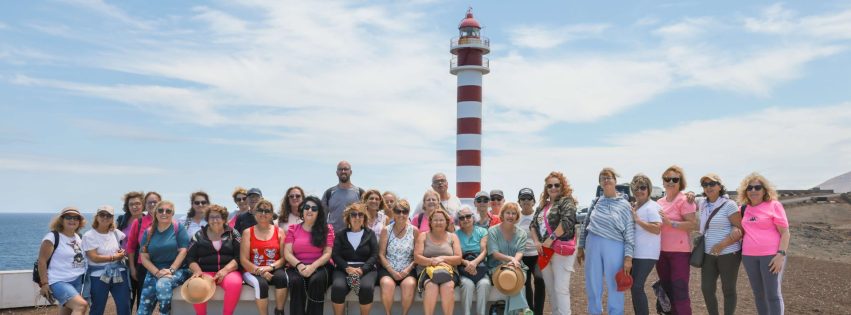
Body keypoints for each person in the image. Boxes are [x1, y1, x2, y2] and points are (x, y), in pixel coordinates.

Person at [577, 168, 635, 315]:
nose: (606, 180)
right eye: (603, 178)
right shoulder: (596, 201)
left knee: (616, 283)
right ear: (600, 183)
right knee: (593, 283)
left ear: (615, 181)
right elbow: (585, 225)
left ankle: (616, 312)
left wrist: (628, 257)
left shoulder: (625, 204)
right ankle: (594, 312)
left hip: (615, 245)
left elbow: (629, 231)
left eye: (609, 177)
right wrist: (580, 246)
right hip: (593, 244)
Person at [738, 173, 790, 315]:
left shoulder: (774, 205)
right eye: (750, 188)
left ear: (764, 190)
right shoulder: (743, 209)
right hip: (748, 256)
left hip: (771, 256)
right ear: (745, 191)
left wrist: (781, 255)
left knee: (773, 295)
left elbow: (785, 233)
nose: (753, 191)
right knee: (759, 295)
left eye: (757, 187)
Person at [529, 171, 579, 315]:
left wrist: (550, 239)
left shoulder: (566, 201)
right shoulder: (542, 206)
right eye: (549, 186)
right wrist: (537, 242)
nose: (553, 188)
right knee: (551, 290)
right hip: (544, 251)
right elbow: (532, 225)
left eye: (556, 185)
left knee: (561, 289)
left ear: (562, 186)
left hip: (560, 250)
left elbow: (567, 222)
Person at [695, 174, 743, 315]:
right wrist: (690, 194)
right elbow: (691, 198)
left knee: (728, 289)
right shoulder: (702, 203)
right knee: (707, 288)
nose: (708, 187)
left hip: (729, 253)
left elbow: (739, 229)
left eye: (712, 184)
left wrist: (722, 244)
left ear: (720, 186)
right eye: (705, 184)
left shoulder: (729, 205)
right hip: (708, 254)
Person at [187, 204, 243, 315]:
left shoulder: (234, 233)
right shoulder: (198, 235)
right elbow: (190, 258)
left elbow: (239, 257)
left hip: (228, 271)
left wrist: (225, 271)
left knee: (235, 283)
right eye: (211, 217)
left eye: (218, 217)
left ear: (223, 219)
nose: (215, 220)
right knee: (196, 285)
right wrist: (198, 271)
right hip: (205, 272)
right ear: (207, 219)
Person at [138, 200, 192, 315]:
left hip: (177, 270)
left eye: (168, 211)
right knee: (142, 311)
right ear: (155, 213)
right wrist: (157, 273)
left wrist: (171, 270)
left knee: (163, 284)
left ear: (172, 213)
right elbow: (144, 256)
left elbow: (183, 251)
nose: (164, 213)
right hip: (154, 271)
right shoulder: (148, 232)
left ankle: (164, 312)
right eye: (160, 210)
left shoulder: (178, 228)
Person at [656, 165, 698, 315]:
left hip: (679, 253)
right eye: (667, 179)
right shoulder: (659, 202)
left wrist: (670, 223)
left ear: (681, 182)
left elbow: (693, 225)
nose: (671, 182)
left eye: (675, 179)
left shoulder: (685, 200)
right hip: (660, 252)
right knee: (667, 290)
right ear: (663, 182)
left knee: (680, 289)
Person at [284, 195, 335, 315]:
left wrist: (312, 267)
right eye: (307, 207)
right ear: (302, 210)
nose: (310, 210)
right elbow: (287, 252)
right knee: (297, 282)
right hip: (297, 265)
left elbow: (327, 253)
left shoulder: (327, 229)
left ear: (319, 213)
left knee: (316, 281)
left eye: (314, 208)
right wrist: (299, 265)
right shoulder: (293, 229)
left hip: (321, 266)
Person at [37, 207, 89, 315]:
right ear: (61, 220)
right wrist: (44, 283)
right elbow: (41, 261)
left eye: (76, 218)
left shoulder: (79, 237)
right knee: (81, 305)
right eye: (68, 217)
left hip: (77, 280)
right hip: (58, 281)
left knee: (67, 312)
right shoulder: (52, 237)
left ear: (80, 222)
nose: (72, 220)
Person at [239, 200, 288, 315]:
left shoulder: (279, 231)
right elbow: (244, 260)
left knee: (282, 279)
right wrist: (260, 271)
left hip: (273, 268)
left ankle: (279, 311)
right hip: (252, 270)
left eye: (267, 211)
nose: (263, 213)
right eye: (260, 210)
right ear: (255, 213)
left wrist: (269, 268)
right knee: (261, 284)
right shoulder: (247, 232)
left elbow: (283, 258)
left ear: (271, 214)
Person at [331, 203, 379, 315]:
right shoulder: (340, 235)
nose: (357, 217)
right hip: (344, 269)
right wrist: (347, 268)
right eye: (353, 215)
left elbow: (374, 255)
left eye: (360, 215)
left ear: (364, 218)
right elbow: (335, 255)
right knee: (338, 288)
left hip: (366, 269)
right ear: (348, 217)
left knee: (366, 288)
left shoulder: (370, 234)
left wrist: (363, 269)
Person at [83, 205, 130, 315]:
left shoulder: (115, 233)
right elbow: (93, 257)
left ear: (112, 218)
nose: (105, 217)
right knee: (97, 307)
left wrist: (123, 251)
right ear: (97, 217)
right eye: (102, 214)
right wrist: (115, 257)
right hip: (98, 276)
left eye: (109, 215)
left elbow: (128, 242)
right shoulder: (89, 235)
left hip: (118, 273)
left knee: (124, 305)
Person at [414, 209, 462, 315]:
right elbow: (417, 258)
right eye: (435, 220)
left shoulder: (453, 236)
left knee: (448, 287)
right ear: (430, 222)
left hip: (449, 270)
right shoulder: (423, 236)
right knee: (431, 287)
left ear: (446, 222)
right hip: (426, 270)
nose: (438, 222)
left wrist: (442, 259)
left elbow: (458, 259)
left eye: (441, 220)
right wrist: (432, 261)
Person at [628, 174, 663, 315]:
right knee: (634, 287)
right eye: (636, 188)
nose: (639, 191)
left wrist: (638, 221)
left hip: (646, 254)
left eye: (643, 187)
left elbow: (656, 229)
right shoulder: (635, 206)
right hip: (635, 254)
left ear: (648, 189)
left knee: (637, 287)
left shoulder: (652, 207)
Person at [488, 202, 530, 314]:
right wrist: (511, 259)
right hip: (497, 267)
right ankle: (525, 308)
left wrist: (514, 261)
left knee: (514, 278)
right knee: (510, 278)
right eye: (508, 213)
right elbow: (494, 253)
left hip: (516, 266)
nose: (510, 216)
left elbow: (520, 252)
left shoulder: (522, 234)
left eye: (513, 213)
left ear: (517, 216)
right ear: (503, 214)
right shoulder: (493, 231)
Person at [378, 200, 419, 315]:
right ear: (393, 212)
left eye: (404, 211)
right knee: (386, 284)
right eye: (398, 211)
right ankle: (388, 313)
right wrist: (391, 271)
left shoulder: (414, 231)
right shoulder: (386, 230)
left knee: (410, 285)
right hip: (388, 269)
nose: (401, 214)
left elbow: (417, 255)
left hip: (408, 269)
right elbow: (381, 254)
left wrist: (407, 270)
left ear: (408, 213)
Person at [126, 191, 162, 312]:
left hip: (162, 267)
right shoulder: (139, 222)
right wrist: (132, 268)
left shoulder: (167, 221)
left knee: (161, 302)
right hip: (143, 267)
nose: (152, 204)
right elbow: (130, 247)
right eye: (149, 202)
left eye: (155, 202)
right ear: (145, 205)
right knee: (142, 302)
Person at [456, 206, 490, 315]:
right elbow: (456, 255)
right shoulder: (456, 235)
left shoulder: (482, 231)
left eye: (468, 216)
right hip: (463, 267)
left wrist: (474, 263)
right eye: (461, 217)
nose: (465, 219)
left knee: (484, 283)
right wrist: (467, 263)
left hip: (479, 265)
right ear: (458, 220)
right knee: (467, 284)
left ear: (473, 217)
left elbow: (484, 251)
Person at [517, 188, 545, 315]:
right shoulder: (516, 216)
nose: (526, 201)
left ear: (534, 201)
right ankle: (530, 311)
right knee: (526, 283)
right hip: (522, 256)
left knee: (539, 281)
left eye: (529, 198)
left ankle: (539, 312)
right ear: (519, 201)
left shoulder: (540, 215)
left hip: (537, 255)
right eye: (523, 199)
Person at [115, 191, 144, 310]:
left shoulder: (148, 221)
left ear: (143, 205)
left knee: (142, 298)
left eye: (137, 203)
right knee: (126, 298)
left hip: (142, 263)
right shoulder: (122, 220)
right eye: (131, 204)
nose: (134, 206)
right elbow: (113, 237)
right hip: (123, 263)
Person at [322, 161, 366, 232]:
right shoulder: (329, 193)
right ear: (337, 173)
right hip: (333, 237)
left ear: (351, 172)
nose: (343, 171)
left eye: (346, 169)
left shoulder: (360, 192)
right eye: (340, 169)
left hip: (354, 236)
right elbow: (322, 217)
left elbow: (365, 216)